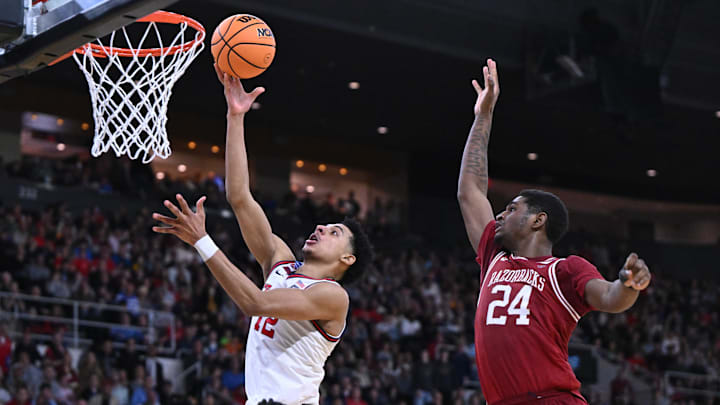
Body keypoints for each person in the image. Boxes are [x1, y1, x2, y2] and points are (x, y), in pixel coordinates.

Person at [150, 64, 374, 405]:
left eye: (334, 232)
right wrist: (235, 117)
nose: (319, 228)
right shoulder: (280, 262)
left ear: (347, 258)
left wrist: (202, 241)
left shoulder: (333, 297)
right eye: (323, 225)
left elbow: (255, 303)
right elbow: (239, 197)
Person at [457, 59, 652, 404]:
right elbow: (470, 191)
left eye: (512, 208)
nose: (500, 215)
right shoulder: (494, 255)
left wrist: (628, 284)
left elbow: (609, 297)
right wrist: (483, 116)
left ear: (538, 220)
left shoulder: (564, 270)